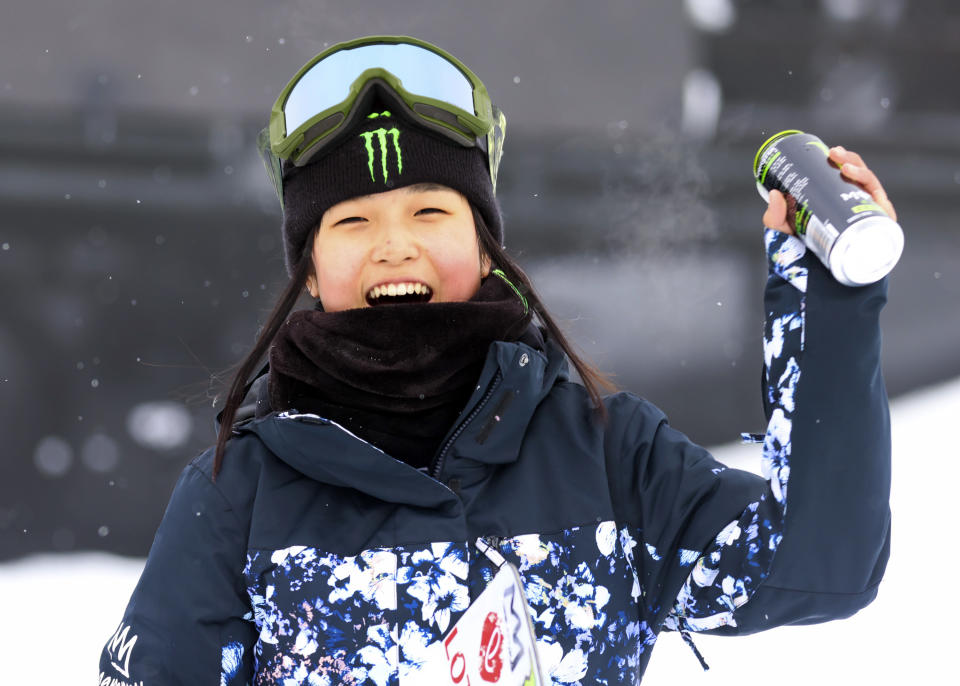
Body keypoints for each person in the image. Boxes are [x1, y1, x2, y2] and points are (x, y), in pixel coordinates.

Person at [98, 35, 895, 685]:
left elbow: (815, 566)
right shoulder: (237, 491)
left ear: (484, 246)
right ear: (310, 268)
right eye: (352, 222)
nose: (394, 245)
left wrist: (828, 302)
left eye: (430, 210)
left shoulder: (605, 449)